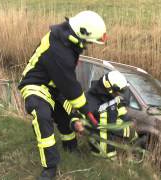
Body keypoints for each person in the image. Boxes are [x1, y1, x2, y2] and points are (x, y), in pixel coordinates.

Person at [18, 10, 107, 180]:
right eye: (89, 41)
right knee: (43, 116)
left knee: (67, 116)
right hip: (36, 84)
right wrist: (87, 112)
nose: (88, 45)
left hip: (55, 86)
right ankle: (49, 168)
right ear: (82, 34)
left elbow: (67, 84)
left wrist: (77, 115)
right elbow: (70, 86)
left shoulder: (67, 39)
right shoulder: (59, 50)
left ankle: (71, 148)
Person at [70, 71, 138, 159]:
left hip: (112, 153)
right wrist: (76, 124)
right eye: (117, 91)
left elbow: (122, 114)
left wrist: (128, 123)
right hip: (95, 155)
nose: (118, 94)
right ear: (108, 87)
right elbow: (75, 118)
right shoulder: (88, 99)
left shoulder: (114, 98)